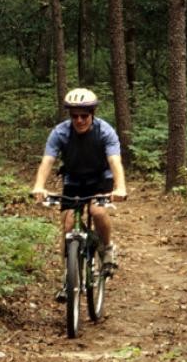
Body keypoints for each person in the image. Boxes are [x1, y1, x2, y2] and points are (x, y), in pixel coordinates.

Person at [31, 88, 127, 301]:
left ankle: (107, 248)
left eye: (84, 115)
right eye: (75, 116)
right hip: (73, 179)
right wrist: (39, 186)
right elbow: (48, 160)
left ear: (92, 113)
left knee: (97, 211)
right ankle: (69, 279)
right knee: (67, 226)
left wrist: (120, 188)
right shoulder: (60, 132)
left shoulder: (105, 131)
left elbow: (114, 161)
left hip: (100, 178)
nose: (79, 120)